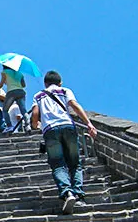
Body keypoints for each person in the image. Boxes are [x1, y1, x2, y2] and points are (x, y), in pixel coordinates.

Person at [30, 70, 97, 214]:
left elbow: (35, 114)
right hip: (68, 126)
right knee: (74, 163)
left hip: (50, 131)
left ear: (45, 83)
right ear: (60, 82)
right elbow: (74, 105)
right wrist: (89, 124)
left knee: (58, 164)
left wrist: (35, 125)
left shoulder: (38, 95)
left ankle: (67, 193)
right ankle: (78, 195)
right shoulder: (65, 90)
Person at [0, 65, 29, 133]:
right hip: (21, 92)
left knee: (5, 110)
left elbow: (1, 84)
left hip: (11, 92)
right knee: (23, 110)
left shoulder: (4, 72)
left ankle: (9, 126)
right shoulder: (20, 73)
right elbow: (23, 85)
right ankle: (28, 126)